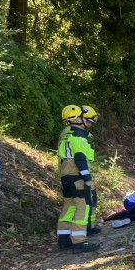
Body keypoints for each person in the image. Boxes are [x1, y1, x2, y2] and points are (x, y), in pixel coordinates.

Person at [56, 105, 100, 253]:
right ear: (76, 118)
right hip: (76, 175)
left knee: (68, 207)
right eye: (82, 116)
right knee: (83, 207)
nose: (85, 120)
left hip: (66, 175)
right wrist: (86, 177)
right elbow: (80, 157)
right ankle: (79, 241)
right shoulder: (77, 136)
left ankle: (64, 240)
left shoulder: (66, 136)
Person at [81, 105, 101, 235]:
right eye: (88, 121)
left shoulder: (83, 135)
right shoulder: (73, 134)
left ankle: (90, 226)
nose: (89, 125)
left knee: (92, 198)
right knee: (85, 202)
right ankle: (85, 229)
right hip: (78, 174)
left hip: (84, 172)